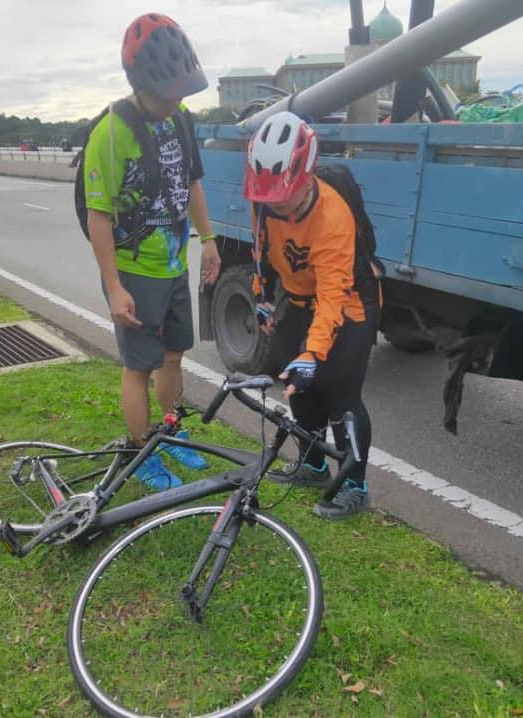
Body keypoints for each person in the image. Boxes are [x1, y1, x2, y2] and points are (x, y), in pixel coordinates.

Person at [84, 13, 222, 490]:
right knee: (138, 366)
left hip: (172, 264)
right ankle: (142, 450)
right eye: (167, 94)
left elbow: (192, 185)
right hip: (133, 269)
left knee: (173, 357)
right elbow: (97, 217)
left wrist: (208, 241)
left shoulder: (181, 121)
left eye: (180, 92)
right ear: (141, 85)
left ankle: (170, 429)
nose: (175, 102)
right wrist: (115, 287)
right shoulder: (110, 133)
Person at [243, 111, 381, 520]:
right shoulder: (264, 200)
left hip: (349, 304)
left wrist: (313, 353)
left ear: (305, 175)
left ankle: (354, 485)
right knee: (296, 386)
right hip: (300, 301)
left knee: (339, 393)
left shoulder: (333, 217)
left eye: (282, 192)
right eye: (266, 193)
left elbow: (333, 298)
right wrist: (263, 296)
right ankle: (313, 464)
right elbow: (262, 250)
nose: (273, 202)